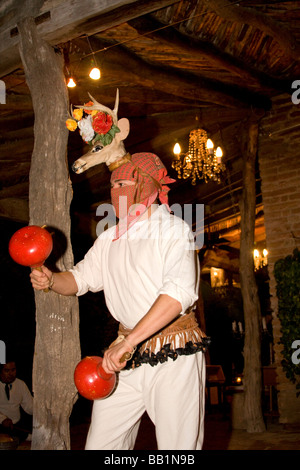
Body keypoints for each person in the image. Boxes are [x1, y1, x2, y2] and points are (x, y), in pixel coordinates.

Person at [30, 151, 209, 450]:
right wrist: (51, 280)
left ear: (148, 185)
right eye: (112, 186)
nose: (115, 192)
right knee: (101, 444)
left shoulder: (174, 231)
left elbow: (178, 294)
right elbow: (79, 279)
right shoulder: (109, 238)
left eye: (123, 183)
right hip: (124, 355)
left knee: (177, 448)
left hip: (173, 353)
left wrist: (128, 343)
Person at [0, 360, 33, 442]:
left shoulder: (20, 384)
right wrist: (2, 419)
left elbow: (30, 407)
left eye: (13, 370)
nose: (11, 374)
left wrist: (43, 410)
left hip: (16, 426)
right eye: (7, 371)